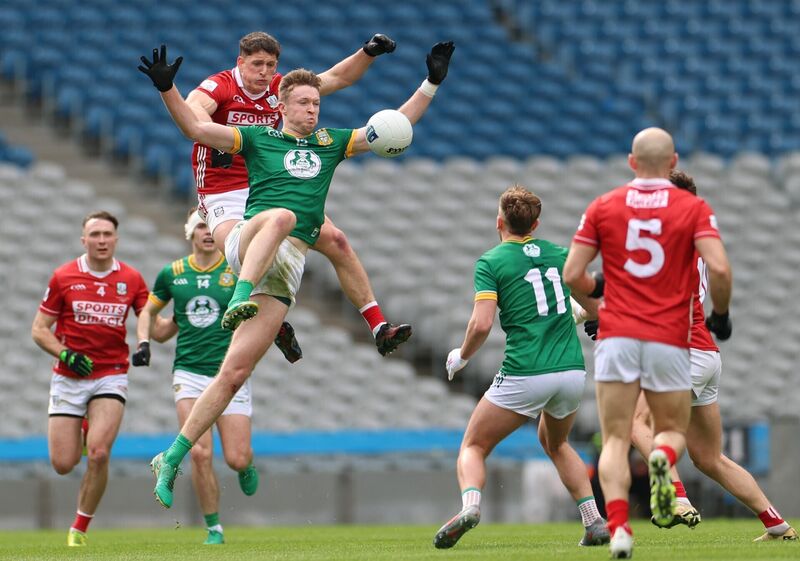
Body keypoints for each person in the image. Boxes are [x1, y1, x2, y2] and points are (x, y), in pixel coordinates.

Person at [137, 40, 454, 509]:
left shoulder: (329, 144)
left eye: (316, 102)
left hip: (284, 264)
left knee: (233, 374)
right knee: (283, 216)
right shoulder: (257, 137)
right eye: (304, 102)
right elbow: (195, 124)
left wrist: (431, 82)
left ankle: (170, 456)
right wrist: (168, 89)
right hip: (245, 234)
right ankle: (238, 295)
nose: (312, 108)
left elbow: (392, 127)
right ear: (281, 107)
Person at [585, 169, 797, 543]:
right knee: (709, 458)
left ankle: (677, 497)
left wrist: (598, 316)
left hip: (683, 351)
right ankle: (776, 523)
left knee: (634, 423)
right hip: (705, 353)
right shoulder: (697, 239)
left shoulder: (666, 240)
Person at [183, 31, 410, 359]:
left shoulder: (281, 89)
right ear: (240, 63)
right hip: (222, 189)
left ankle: (379, 327)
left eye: (271, 65)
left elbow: (337, 77)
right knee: (242, 251)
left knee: (338, 241)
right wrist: (215, 140)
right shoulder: (221, 85)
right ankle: (271, 322)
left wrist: (368, 52)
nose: (264, 72)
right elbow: (193, 110)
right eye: (257, 64)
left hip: (268, 180)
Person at [562, 127, 733, 559]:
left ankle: (619, 529)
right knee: (671, 431)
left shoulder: (604, 206)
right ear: (673, 161)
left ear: (631, 162)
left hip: (618, 335)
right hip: (670, 338)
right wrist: (721, 317)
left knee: (616, 439)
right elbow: (720, 269)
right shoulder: (693, 208)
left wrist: (601, 286)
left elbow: (571, 276)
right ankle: (661, 457)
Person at [434, 185, 609, 549]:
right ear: (536, 223)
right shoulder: (560, 254)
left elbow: (481, 325)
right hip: (571, 371)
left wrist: (462, 356)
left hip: (526, 371)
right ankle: (593, 521)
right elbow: (596, 309)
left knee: (474, 446)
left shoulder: (492, 262)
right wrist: (576, 314)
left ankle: (470, 507)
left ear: (499, 221)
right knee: (557, 443)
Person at [132, 209, 257, 545]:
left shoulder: (237, 269)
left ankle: (246, 465)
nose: (206, 231)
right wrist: (144, 341)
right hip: (188, 373)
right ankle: (214, 528)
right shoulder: (173, 274)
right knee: (200, 453)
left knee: (236, 457)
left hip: (229, 374)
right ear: (190, 232)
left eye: (210, 225)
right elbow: (150, 315)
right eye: (200, 225)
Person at [30, 211, 149, 547]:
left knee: (98, 453)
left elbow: (148, 318)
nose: (101, 240)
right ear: (83, 239)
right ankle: (83, 427)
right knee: (64, 464)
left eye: (107, 234)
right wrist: (65, 354)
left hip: (110, 374)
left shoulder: (132, 278)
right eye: (94, 234)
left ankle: (79, 528)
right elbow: (39, 330)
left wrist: (147, 341)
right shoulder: (64, 276)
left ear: (116, 239)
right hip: (69, 376)